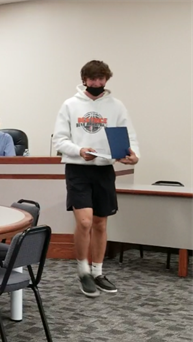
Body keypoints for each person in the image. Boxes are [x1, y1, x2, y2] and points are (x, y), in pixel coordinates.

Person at [53, 60, 140, 298]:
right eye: (93, 79)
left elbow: (129, 136)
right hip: (78, 169)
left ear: (106, 80)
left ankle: (98, 271)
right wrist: (79, 150)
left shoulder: (116, 106)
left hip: (104, 169)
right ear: (84, 80)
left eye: (101, 79)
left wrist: (134, 156)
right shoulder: (70, 105)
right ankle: (83, 271)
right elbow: (59, 141)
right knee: (84, 222)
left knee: (101, 223)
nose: (97, 83)